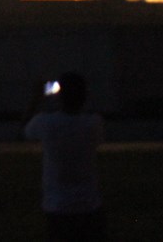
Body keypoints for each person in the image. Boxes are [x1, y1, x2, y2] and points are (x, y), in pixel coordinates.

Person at [24, 71, 105, 241]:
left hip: (57, 205)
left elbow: (25, 131)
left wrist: (36, 98)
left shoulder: (45, 122)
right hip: (88, 203)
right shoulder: (94, 123)